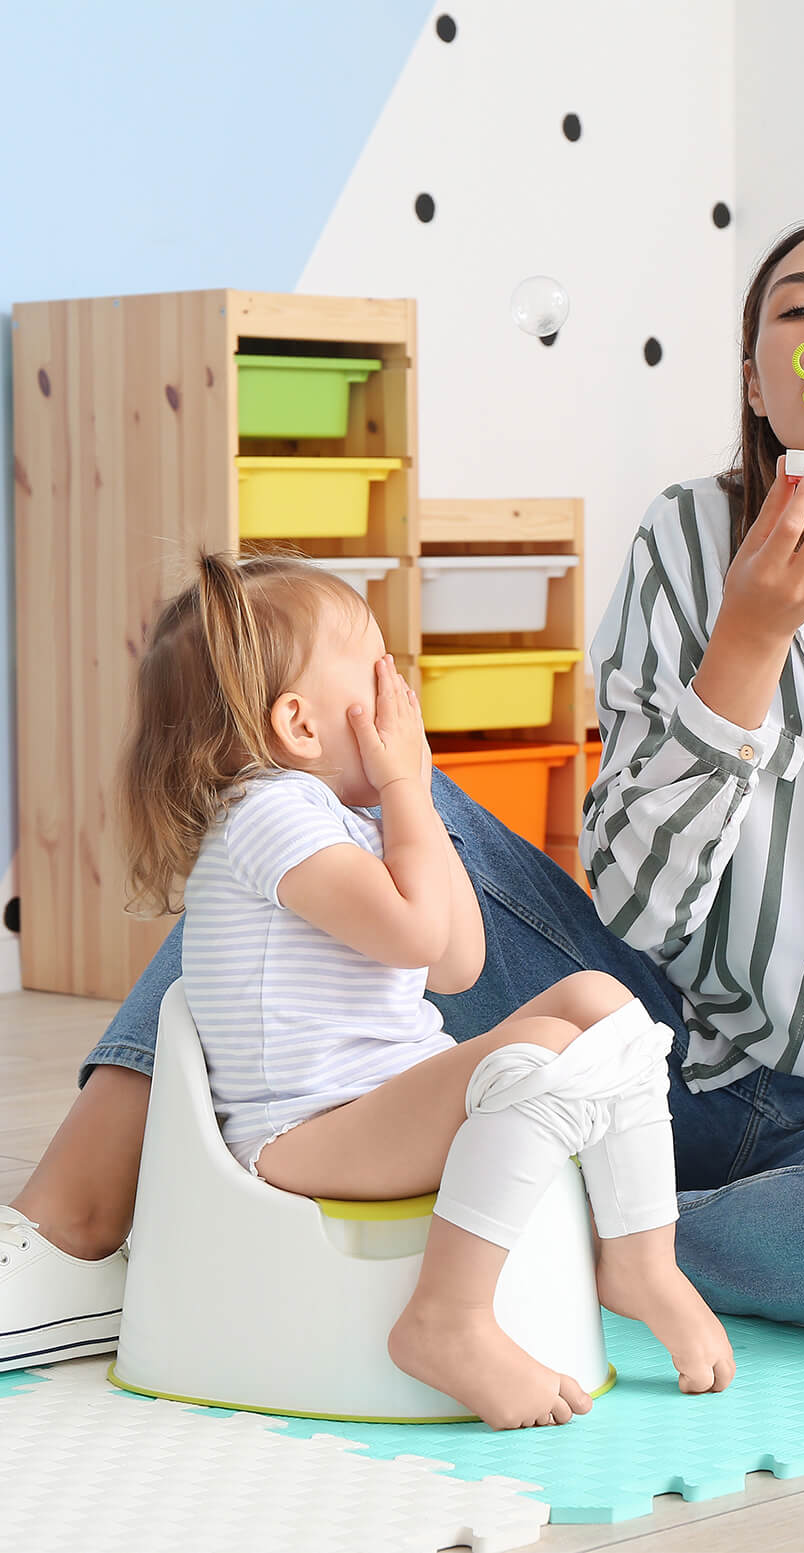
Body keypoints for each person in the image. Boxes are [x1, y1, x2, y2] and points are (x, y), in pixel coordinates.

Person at [2, 194, 804, 1379]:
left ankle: (547, 1221)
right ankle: (72, 1212)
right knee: (311, 795)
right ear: (762, 383)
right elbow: (640, 914)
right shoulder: (689, 545)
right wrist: (743, 650)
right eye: (798, 310)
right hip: (663, 1042)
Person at [21, 552, 736, 1429]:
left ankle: (640, 1260)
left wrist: (410, 801)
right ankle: (449, 1316)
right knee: (542, 1057)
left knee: (595, 1000)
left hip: (373, 1103)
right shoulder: (267, 813)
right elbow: (416, 933)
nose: (400, 687)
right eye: (375, 666)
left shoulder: (340, 818)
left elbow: (456, 962)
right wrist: (404, 784)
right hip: (304, 1131)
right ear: (299, 724)